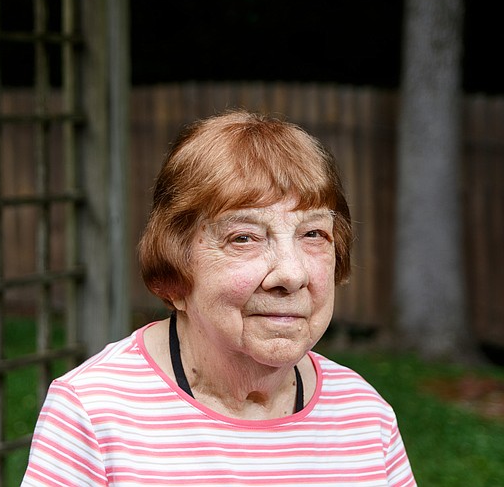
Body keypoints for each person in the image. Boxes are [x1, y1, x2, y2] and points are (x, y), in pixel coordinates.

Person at [21, 109, 416, 486]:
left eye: (313, 235)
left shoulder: (366, 416)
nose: (291, 274)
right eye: (243, 237)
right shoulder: (94, 413)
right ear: (176, 268)